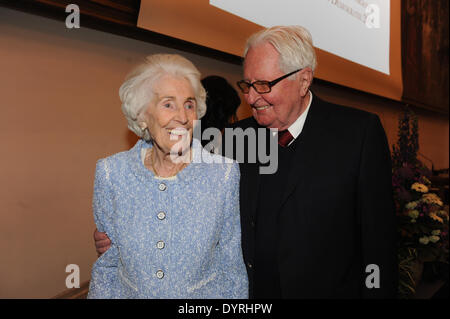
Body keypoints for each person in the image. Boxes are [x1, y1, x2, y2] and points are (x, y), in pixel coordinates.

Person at [96, 25, 397, 298]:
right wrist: (121, 235)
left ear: (304, 79)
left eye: (264, 85)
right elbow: (176, 190)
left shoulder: (357, 135)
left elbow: (379, 246)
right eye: (247, 85)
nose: (252, 98)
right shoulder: (230, 141)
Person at [88, 54, 248, 298]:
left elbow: (231, 266)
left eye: (189, 104)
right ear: (143, 115)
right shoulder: (112, 173)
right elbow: (107, 268)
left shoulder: (223, 174)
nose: (183, 118)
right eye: (168, 104)